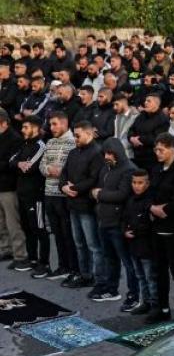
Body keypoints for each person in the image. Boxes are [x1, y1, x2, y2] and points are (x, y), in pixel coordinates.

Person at [147, 133, 174, 322]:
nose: (157, 153)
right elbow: (150, 192)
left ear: (172, 149)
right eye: (156, 149)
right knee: (160, 271)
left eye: (161, 150)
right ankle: (163, 308)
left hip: (173, 228)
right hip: (157, 227)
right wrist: (152, 208)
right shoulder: (156, 169)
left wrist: (163, 209)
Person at [59, 120, 106, 290]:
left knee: (93, 244)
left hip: (86, 205)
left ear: (88, 133)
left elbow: (93, 179)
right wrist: (64, 186)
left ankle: (99, 278)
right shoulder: (73, 153)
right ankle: (85, 274)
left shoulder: (97, 153)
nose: (75, 138)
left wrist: (73, 188)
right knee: (79, 243)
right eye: (74, 135)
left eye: (77, 135)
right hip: (73, 204)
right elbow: (63, 173)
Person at [92, 138, 137, 306]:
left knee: (128, 262)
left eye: (110, 153)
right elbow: (95, 189)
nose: (107, 156)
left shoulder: (129, 170)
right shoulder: (105, 169)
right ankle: (112, 289)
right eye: (105, 153)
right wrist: (97, 193)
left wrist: (100, 194)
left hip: (119, 223)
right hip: (104, 220)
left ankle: (134, 295)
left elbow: (122, 194)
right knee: (110, 258)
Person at [39, 111, 77, 281]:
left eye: (54, 124)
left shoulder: (73, 142)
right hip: (49, 193)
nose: (51, 127)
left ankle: (73, 268)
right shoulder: (50, 142)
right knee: (57, 233)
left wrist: (60, 172)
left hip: (64, 195)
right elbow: (41, 165)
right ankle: (63, 266)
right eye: (50, 124)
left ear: (64, 123)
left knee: (68, 233)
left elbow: (74, 168)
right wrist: (49, 170)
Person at [11, 115, 48, 274]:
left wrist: (21, 164)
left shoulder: (40, 145)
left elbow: (30, 167)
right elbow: (11, 161)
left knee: (39, 228)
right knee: (27, 227)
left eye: (26, 127)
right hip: (22, 192)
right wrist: (19, 163)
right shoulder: (24, 143)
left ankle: (44, 263)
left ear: (35, 128)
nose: (22, 130)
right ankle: (32, 259)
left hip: (35, 195)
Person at [122, 169, 158, 315]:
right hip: (134, 245)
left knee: (150, 277)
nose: (136, 186)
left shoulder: (150, 201)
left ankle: (155, 305)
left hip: (147, 246)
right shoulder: (131, 200)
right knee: (140, 276)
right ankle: (146, 302)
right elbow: (124, 218)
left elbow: (148, 224)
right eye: (134, 182)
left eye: (140, 183)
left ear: (147, 183)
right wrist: (124, 230)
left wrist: (134, 231)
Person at [0, 108, 29, 271]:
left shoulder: (15, 138)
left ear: (4, 122)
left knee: (13, 223)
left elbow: (12, 163)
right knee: (0, 223)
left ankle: (20, 255)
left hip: (9, 187)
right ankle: (5, 249)